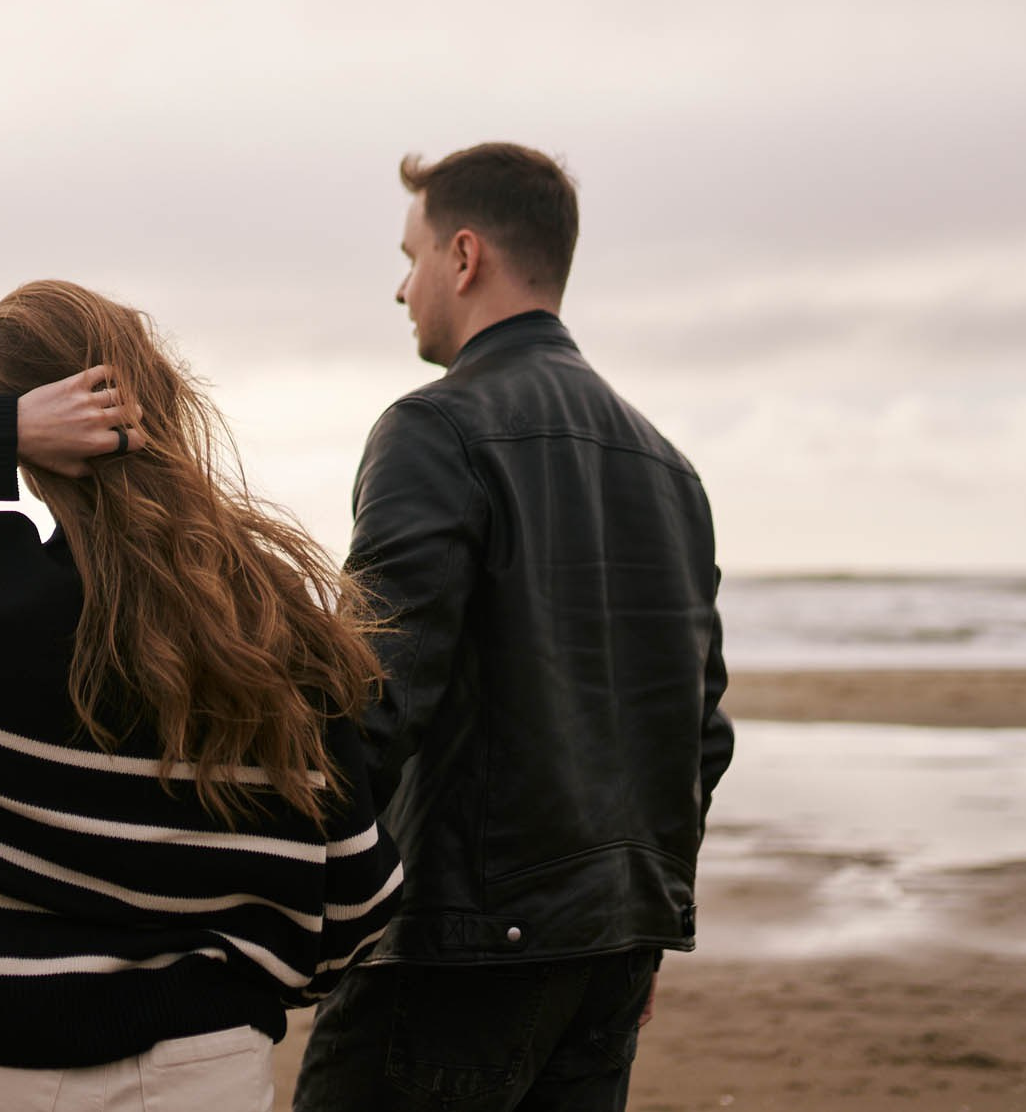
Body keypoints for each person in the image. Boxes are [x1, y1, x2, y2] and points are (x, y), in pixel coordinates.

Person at [0, 278, 404, 1112]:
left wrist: (2, 433)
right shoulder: (266, 621)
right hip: (202, 1069)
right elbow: (358, 899)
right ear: (162, 399)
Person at [295, 143, 734, 1112]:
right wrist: (642, 921)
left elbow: (372, 693)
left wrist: (287, 898)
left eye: (408, 256)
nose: (400, 287)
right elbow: (697, 725)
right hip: (610, 946)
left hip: (457, 945)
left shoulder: (434, 428)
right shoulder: (670, 466)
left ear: (463, 255)